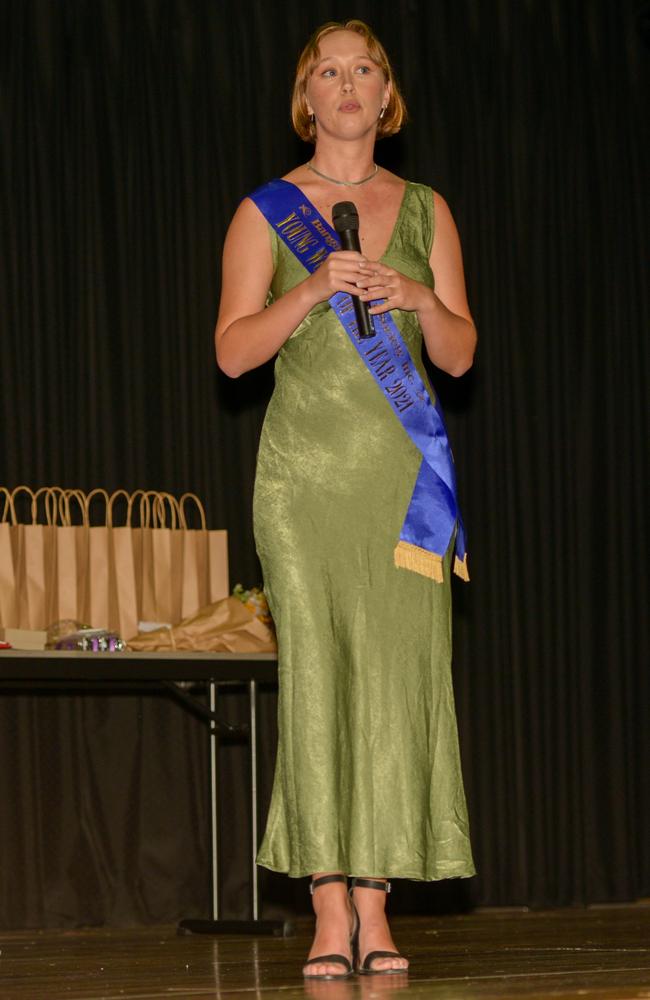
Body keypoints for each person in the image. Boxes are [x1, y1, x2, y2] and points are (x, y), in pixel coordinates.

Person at [215, 19, 477, 980]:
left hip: (403, 481)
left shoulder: (426, 210)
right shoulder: (267, 211)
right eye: (328, 70)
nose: (347, 84)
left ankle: (379, 907)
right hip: (304, 482)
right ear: (306, 98)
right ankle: (328, 912)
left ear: (387, 94)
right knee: (321, 680)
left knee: (398, 679)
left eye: (363, 68)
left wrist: (414, 298)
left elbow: (458, 353)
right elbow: (233, 352)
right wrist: (314, 287)